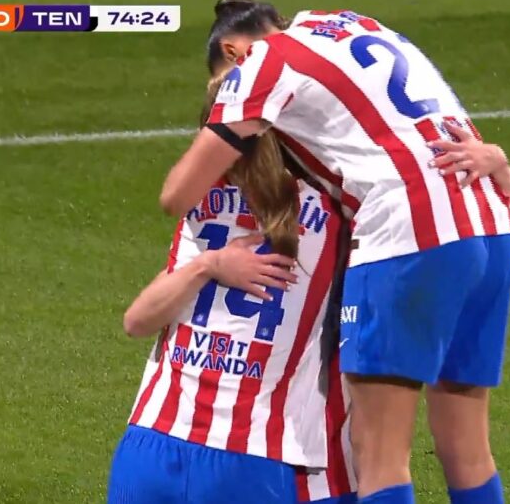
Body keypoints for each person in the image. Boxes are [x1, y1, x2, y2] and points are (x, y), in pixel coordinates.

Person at [159, 0, 510, 504]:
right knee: (466, 446)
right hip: (489, 221)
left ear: (233, 50)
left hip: (408, 235)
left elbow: (177, 195)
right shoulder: (351, 25)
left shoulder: (262, 64)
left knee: (377, 451)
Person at [108, 69, 357, 504]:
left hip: (151, 442)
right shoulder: (338, 213)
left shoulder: (202, 205)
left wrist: (207, 263)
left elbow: (137, 321)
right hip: (254, 457)